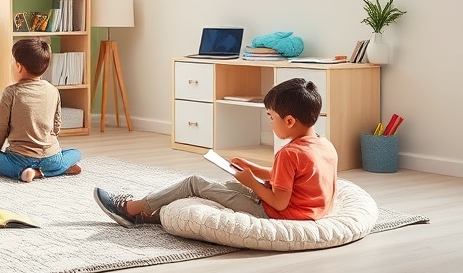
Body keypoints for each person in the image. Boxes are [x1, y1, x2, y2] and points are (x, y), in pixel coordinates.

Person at [94, 77, 337, 226]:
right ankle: (149, 215)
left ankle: (130, 210)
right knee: (226, 186)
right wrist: (252, 169)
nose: (270, 123)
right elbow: (289, 179)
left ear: (290, 120)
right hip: (309, 211)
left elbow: (280, 203)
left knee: (195, 183)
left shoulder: (289, 153)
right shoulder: (324, 144)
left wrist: (252, 182)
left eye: (271, 117)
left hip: (277, 214)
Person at [0, 38, 82, 182]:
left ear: (19, 66)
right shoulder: (53, 90)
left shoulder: (10, 92)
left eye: (13, 61)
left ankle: (23, 172)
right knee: (76, 153)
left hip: (19, 159)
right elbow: (56, 126)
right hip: (51, 157)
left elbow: (1, 128)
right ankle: (56, 169)